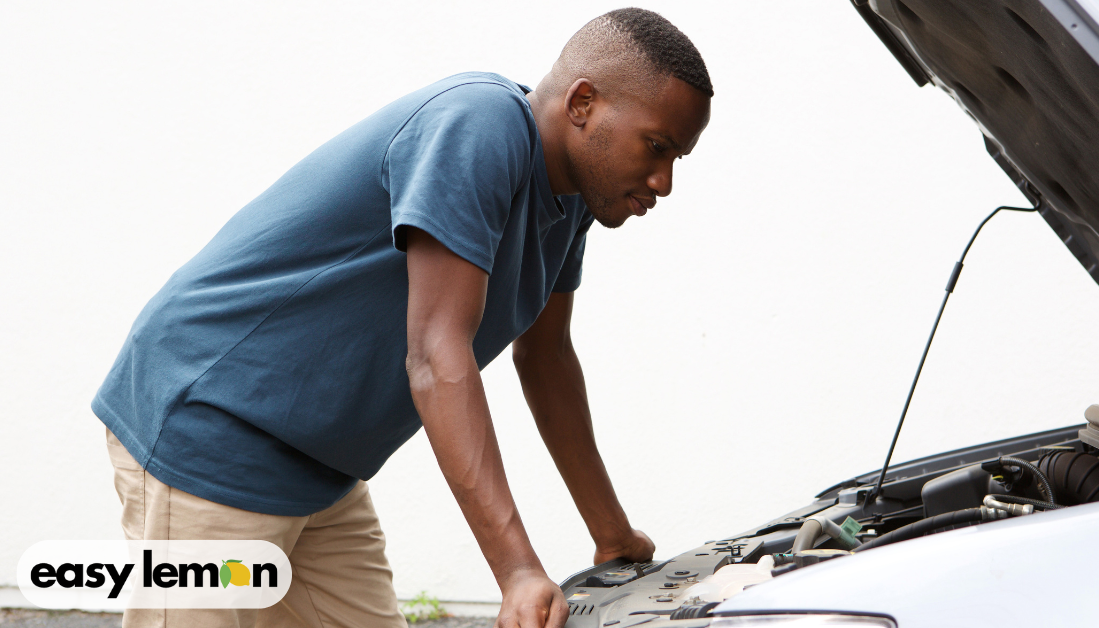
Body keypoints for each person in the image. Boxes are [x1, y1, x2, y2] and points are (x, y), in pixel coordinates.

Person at [94, 7, 712, 628]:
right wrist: (517, 570)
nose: (663, 181)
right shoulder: (479, 126)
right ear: (582, 103)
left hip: (319, 469)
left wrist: (610, 532)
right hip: (213, 431)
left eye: (677, 159)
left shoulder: (572, 200)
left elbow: (546, 358)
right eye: (656, 146)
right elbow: (437, 354)